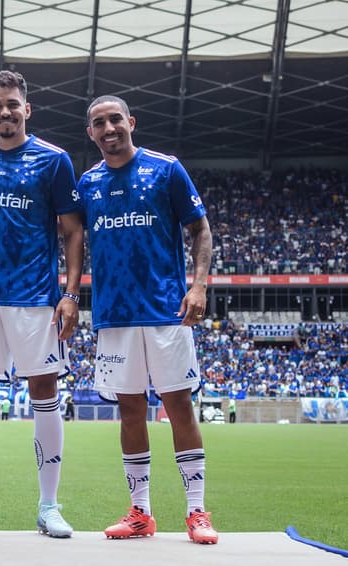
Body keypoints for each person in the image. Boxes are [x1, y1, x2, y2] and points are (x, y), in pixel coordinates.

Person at [77, 95, 218, 544]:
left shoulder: (166, 169)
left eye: (115, 119)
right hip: (114, 316)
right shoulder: (88, 183)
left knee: (178, 405)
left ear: (131, 122)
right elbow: (74, 240)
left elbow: (201, 229)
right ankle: (141, 512)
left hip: (165, 312)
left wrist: (198, 285)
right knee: (130, 410)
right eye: (99, 123)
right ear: (91, 133)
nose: (108, 128)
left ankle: (197, 511)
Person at [0, 70, 84, 539]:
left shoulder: (54, 160)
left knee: (45, 398)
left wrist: (70, 293)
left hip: (36, 301)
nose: (4, 112)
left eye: (12, 104)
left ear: (26, 109)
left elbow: (72, 230)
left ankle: (49, 506)